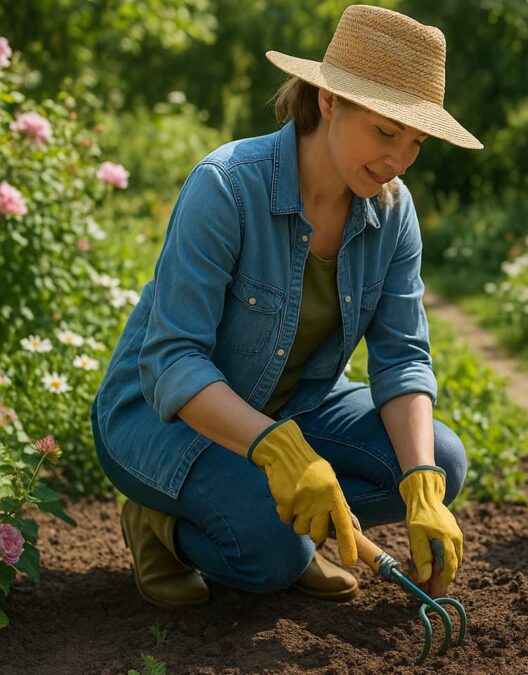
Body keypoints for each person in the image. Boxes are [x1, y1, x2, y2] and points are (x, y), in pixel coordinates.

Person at [90, 4, 483, 608]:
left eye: (415, 143)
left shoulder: (392, 213)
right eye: (384, 132)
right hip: (163, 418)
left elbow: (403, 358)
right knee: (270, 555)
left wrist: (424, 489)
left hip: (293, 405)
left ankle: (292, 524)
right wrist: (280, 450)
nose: (398, 161)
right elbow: (173, 360)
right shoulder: (226, 186)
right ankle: (159, 526)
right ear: (328, 102)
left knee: (440, 461)